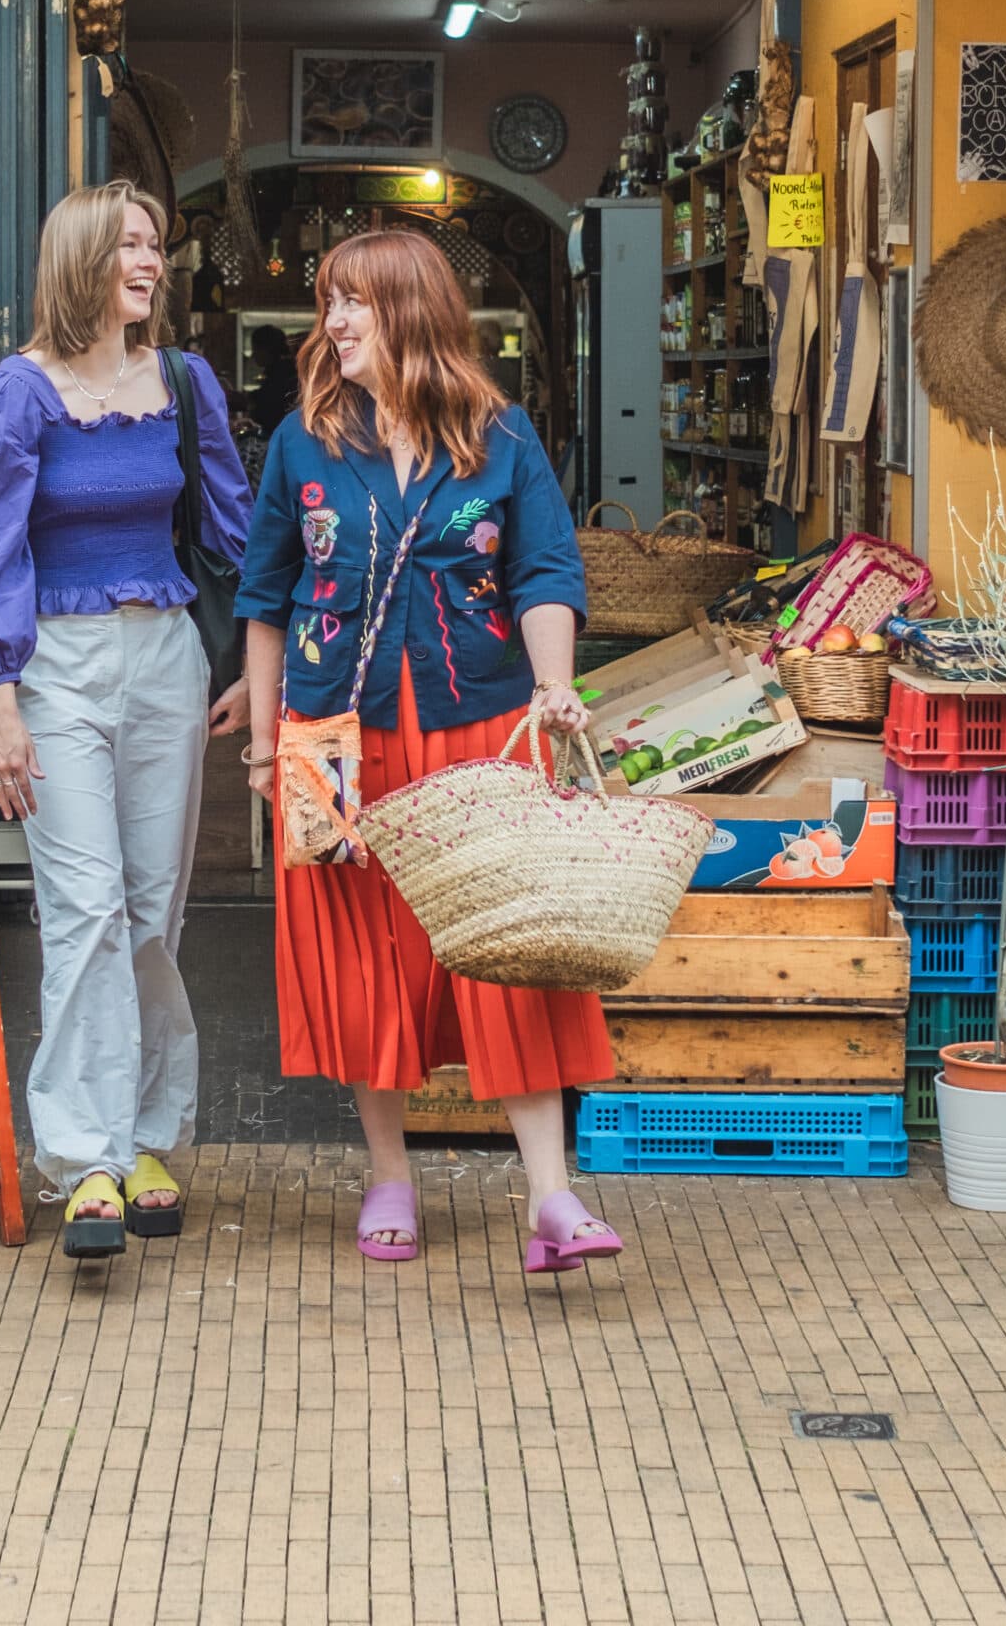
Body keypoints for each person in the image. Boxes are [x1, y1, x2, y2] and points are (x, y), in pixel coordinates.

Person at [235, 228, 623, 1275]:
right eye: (329, 301)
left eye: (353, 300)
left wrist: (553, 686)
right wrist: (266, 751)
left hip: (479, 726)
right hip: (327, 737)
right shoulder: (303, 442)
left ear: (410, 310)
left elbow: (545, 571)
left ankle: (551, 1194)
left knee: (507, 944)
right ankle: (389, 1176)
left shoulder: (501, 435)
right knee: (364, 950)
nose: (333, 321)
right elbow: (263, 598)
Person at [0, 181, 251, 1257]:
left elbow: (236, 531)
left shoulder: (184, 385)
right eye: (128, 247)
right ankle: (83, 1160)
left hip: (165, 658)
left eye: (154, 245)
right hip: (53, 668)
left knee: (153, 911)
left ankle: (148, 1137)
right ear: (80, 262)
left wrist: (259, 664)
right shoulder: (16, 396)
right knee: (84, 909)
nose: (149, 262)